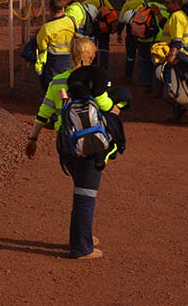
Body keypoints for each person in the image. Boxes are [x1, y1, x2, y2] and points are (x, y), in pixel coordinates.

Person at [25, 38, 121, 260]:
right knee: (85, 195)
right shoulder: (93, 82)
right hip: (90, 144)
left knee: (82, 189)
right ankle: (81, 247)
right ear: (92, 56)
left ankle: (84, 235)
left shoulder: (58, 80)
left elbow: (44, 111)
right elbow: (110, 109)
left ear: (70, 54)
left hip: (65, 143)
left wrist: (33, 138)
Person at [35, 0, 76, 91]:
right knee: (67, 82)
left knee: (52, 85)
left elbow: (41, 45)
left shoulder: (47, 27)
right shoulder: (70, 21)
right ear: (63, 8)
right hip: (70, 57)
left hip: (54, 59)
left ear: (50, 9)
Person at [133, 0, 170, 94]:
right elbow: (167, 25)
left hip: (142, 39)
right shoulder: (165, 9)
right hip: (157, 40)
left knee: (144, 62)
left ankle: (147, 84)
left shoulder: (141, 6)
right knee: (157, 64)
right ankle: (157, 87)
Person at [117, 0, 147, 83]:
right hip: (143, 34)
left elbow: (121, 20)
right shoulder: (145, 3)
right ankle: (143, 77)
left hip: (131, 33)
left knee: (130, 56)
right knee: (143, 57)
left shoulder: (128, 4)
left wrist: (119, 34)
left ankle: (128, 76)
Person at [82, 0, 114, 69]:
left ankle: (93, 64)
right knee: (104, 47)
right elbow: (111, 10)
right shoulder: (103, 0)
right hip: (104, 26)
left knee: (92, 47)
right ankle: (104, 65)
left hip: (92, 28)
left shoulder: (85, 3)